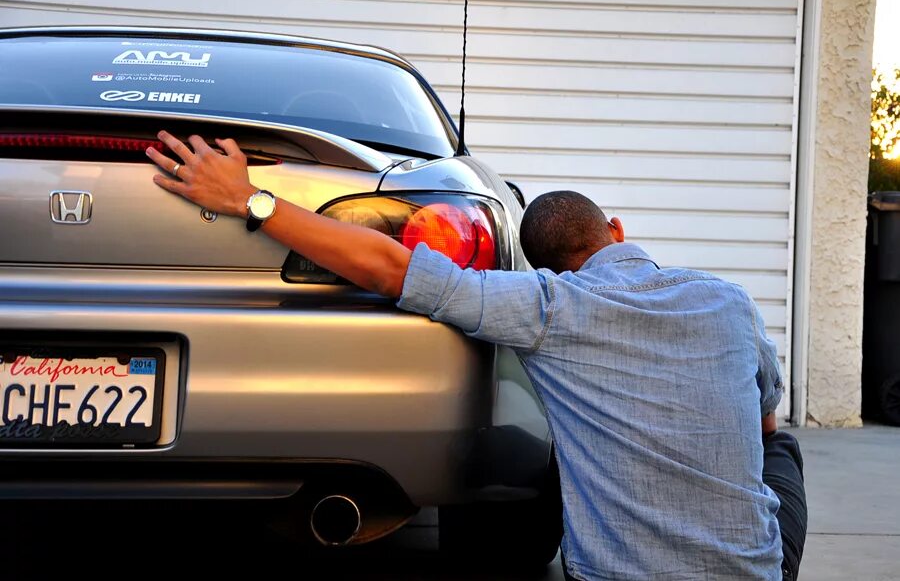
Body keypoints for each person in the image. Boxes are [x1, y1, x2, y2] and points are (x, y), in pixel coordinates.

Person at [146, 131, 807, 580]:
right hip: (755, 570)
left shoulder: (547, 306)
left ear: (541, 264)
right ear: (617, 232)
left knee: (554, 432)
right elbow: (764, 421)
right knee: (778, 443)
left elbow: (386, 265)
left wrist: (248, 197)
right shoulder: (728, 300)